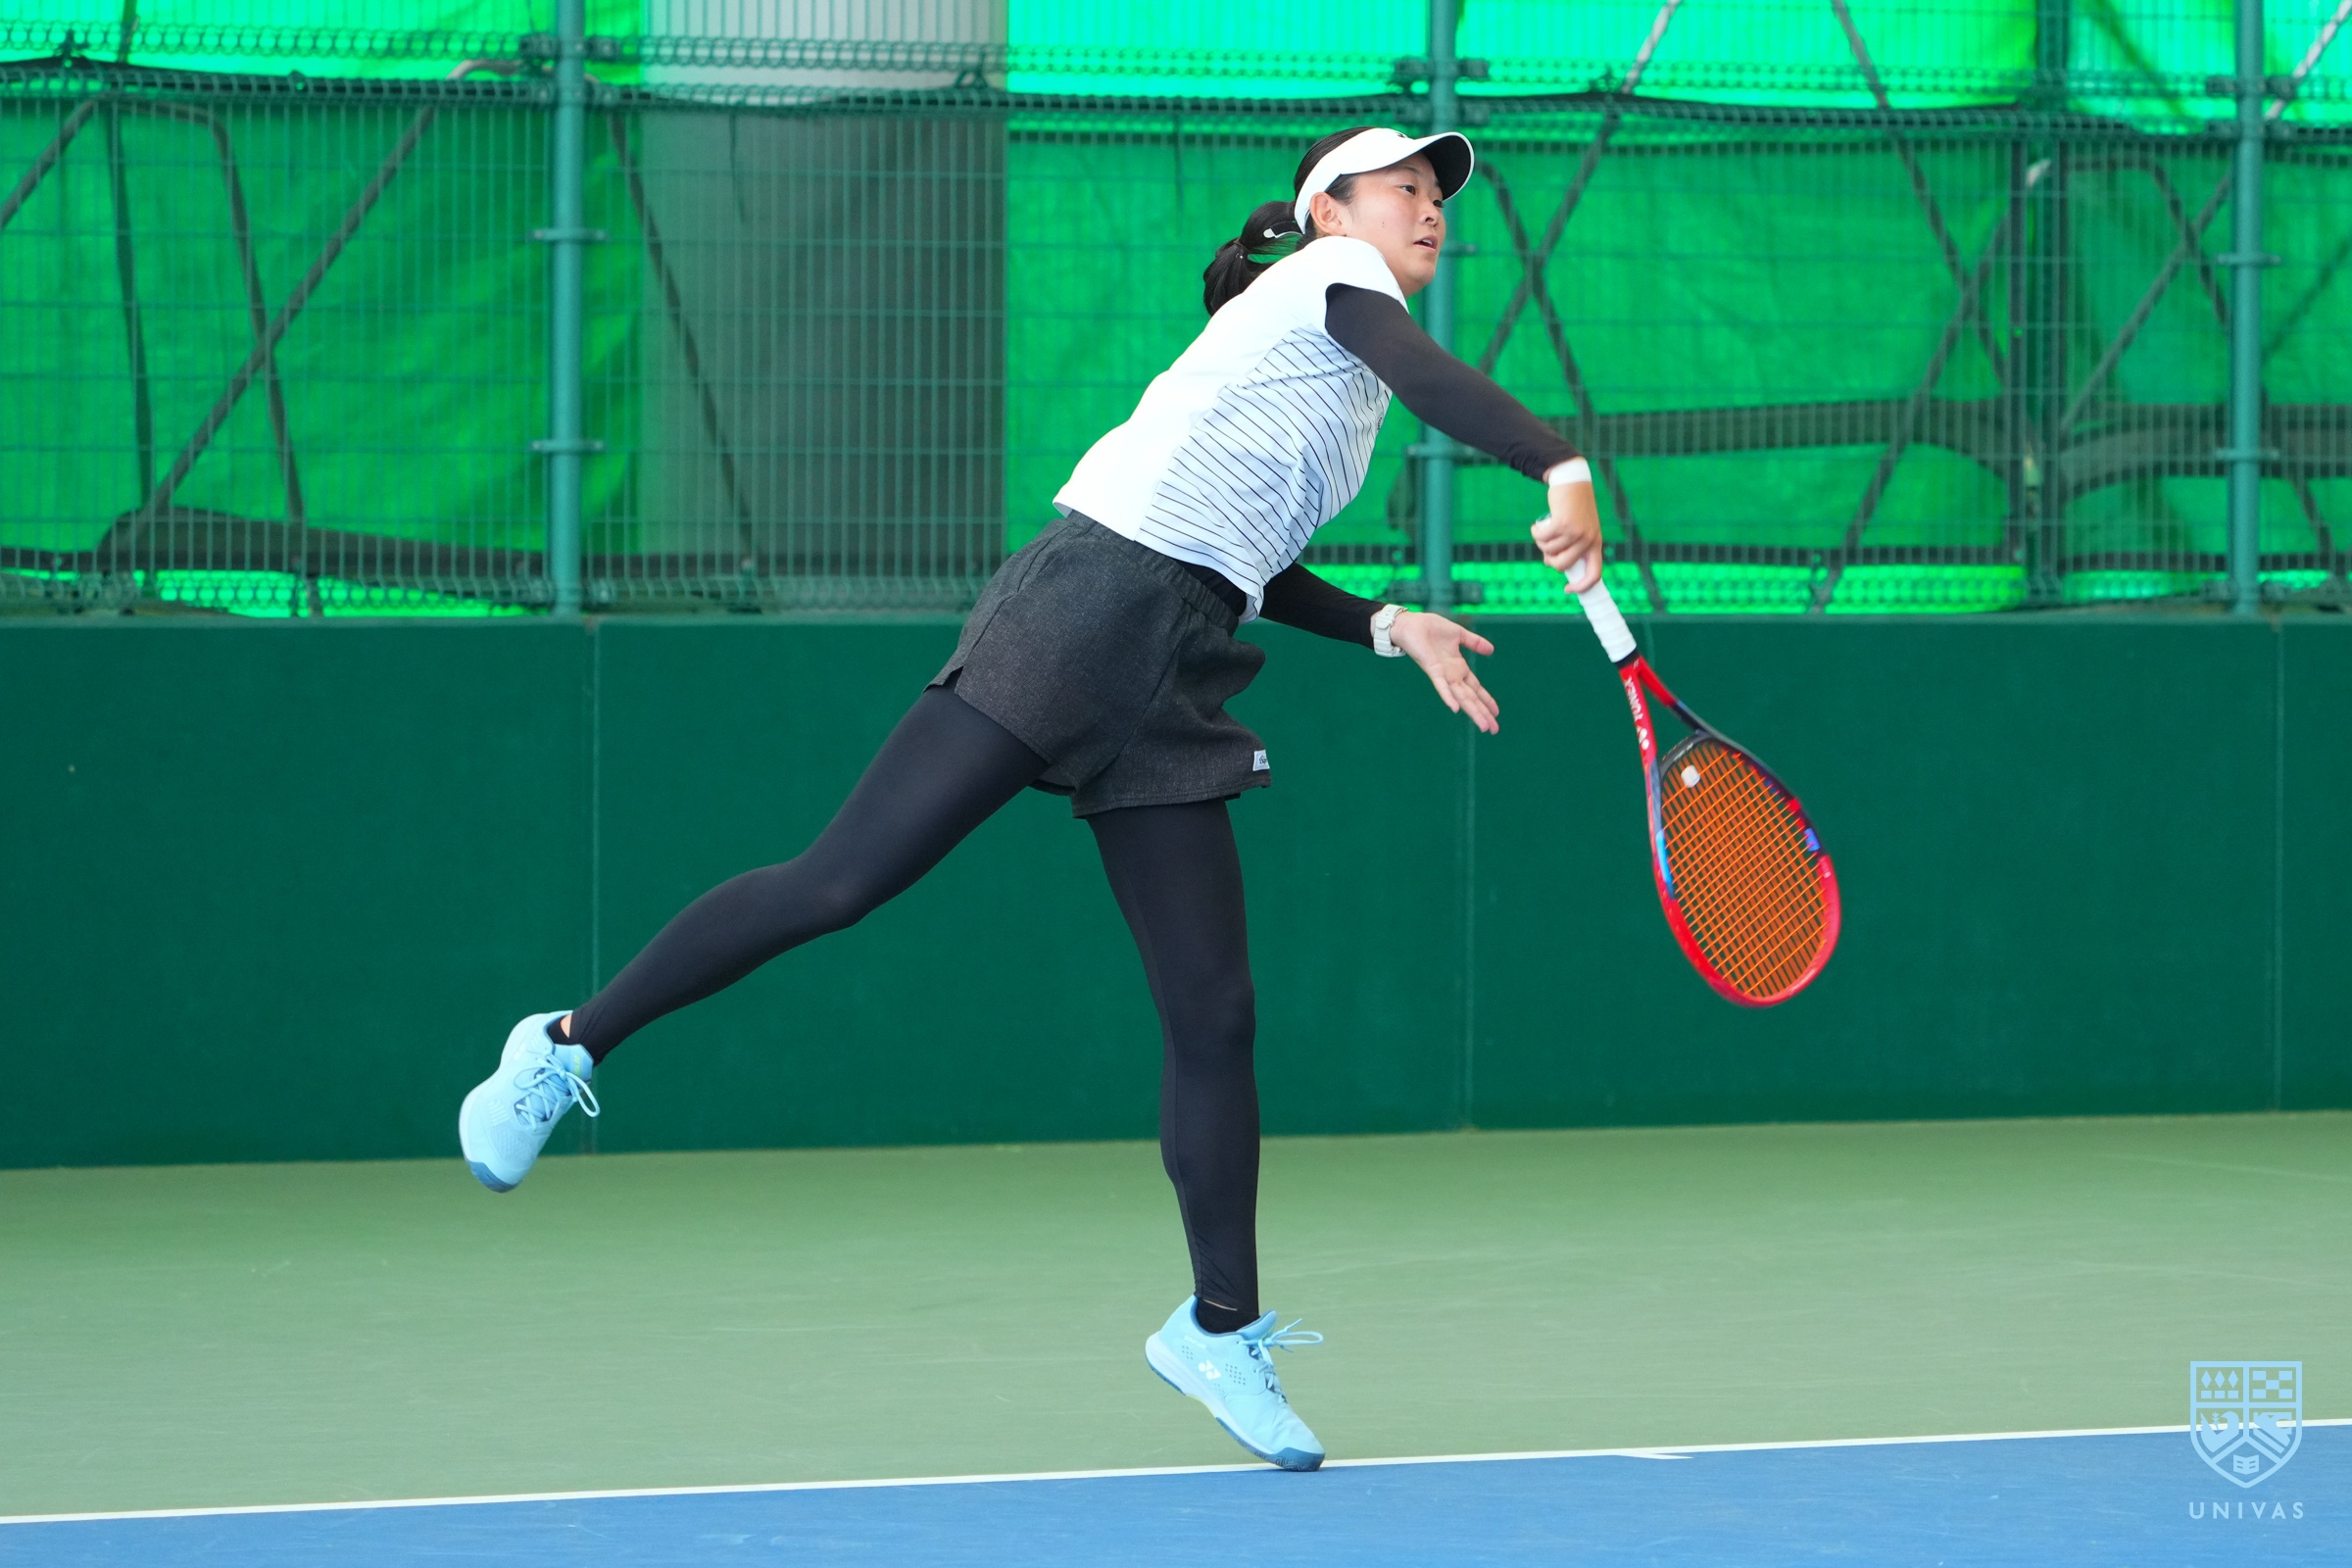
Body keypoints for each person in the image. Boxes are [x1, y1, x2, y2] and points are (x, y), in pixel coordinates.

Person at [458, 124, 1603, 1473]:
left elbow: (1250, 557)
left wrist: (1384, 624)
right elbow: (1434, 382)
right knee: (840, 882)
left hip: (1181, 654)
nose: (1429, 210)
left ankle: (1218, 1328)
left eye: (1437, 195)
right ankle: (568, 1043)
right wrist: (1557, 462)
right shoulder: (1330, 288)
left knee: (1216, 1013)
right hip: (1084, 609)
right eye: (1402, 188)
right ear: (1328, 213)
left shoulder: (1334, 375)